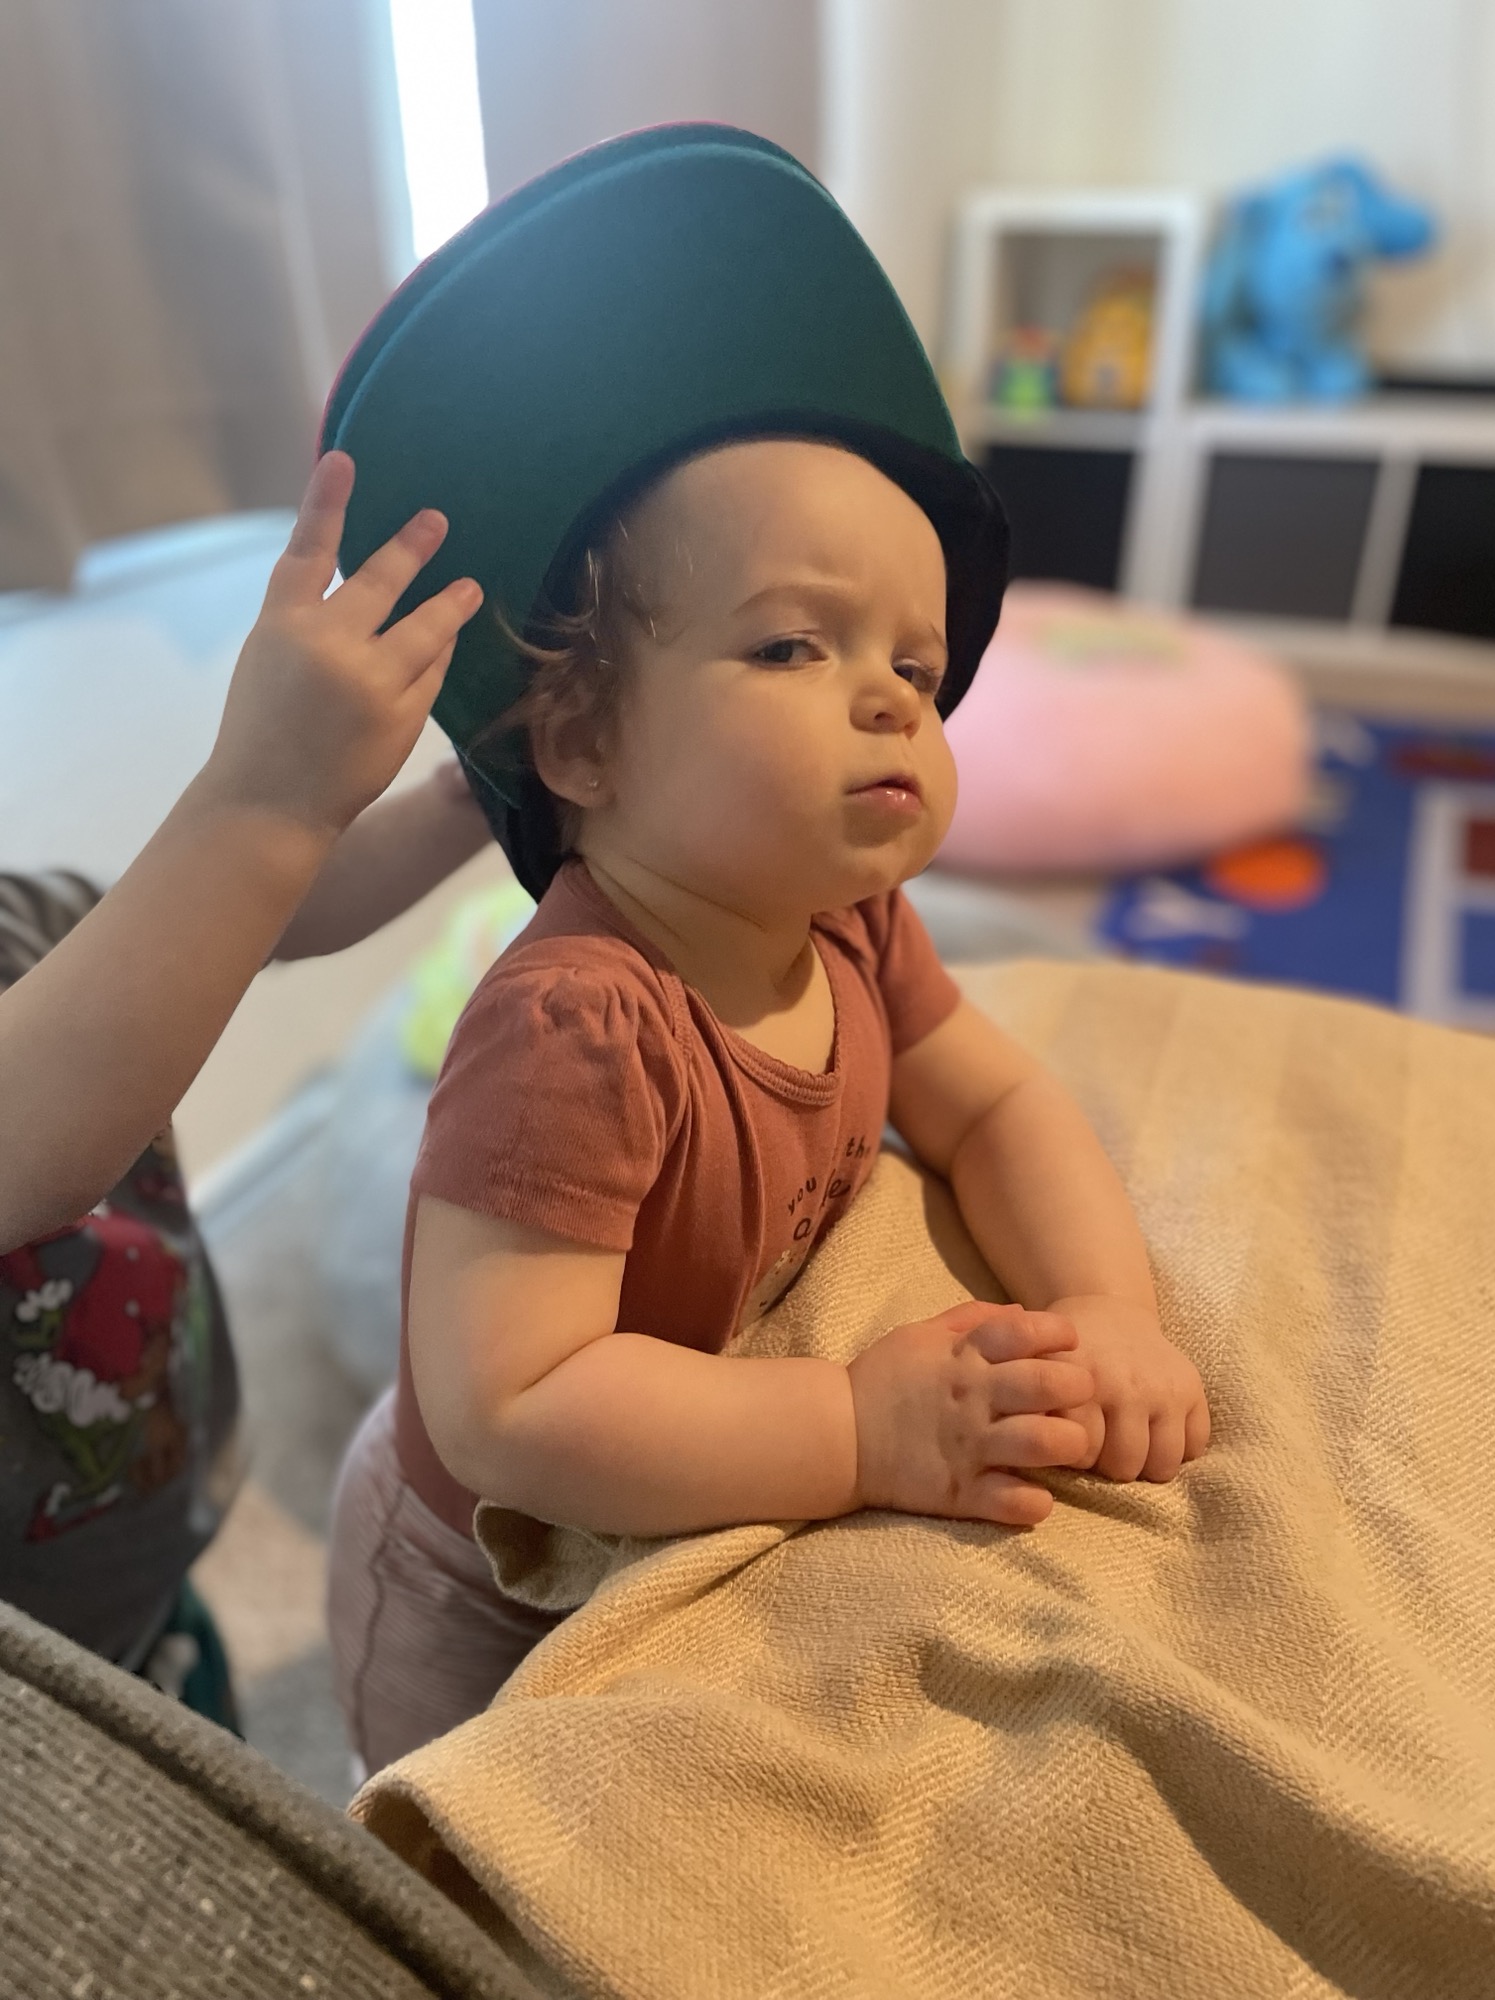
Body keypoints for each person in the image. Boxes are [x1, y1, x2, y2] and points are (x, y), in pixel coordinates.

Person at [320, 125, 1211, 1777]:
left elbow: (995, 1105)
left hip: (675, 1477)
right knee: (457, 1844)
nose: (891, 700)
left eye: (918, 668)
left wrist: (1106, 1308)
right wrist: (857, 1425)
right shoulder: (580, 1028)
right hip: (481, 1573)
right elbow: (512, 1405)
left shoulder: (851, 921)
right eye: (796, 644)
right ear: (583, 742)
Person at [0, 453, 490, 1715]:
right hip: (35, 1695)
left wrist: (473, 790)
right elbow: (30, 1147)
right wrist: (263, 794)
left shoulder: (19, 914)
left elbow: (262, 913)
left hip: (148, 1552)